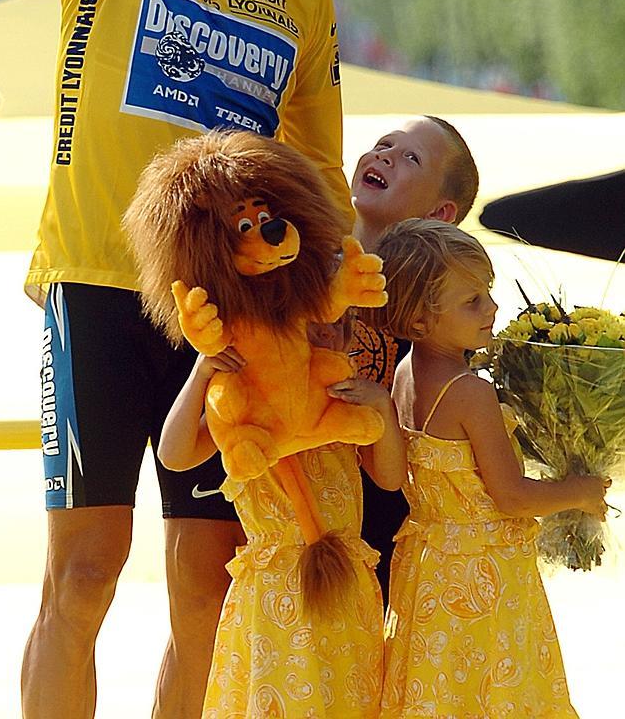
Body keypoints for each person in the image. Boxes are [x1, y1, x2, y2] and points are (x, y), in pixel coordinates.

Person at [0, 0, 352, 717]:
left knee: (207, 582)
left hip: (227, 316)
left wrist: (345, 310)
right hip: (96, 289)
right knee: (87, 572)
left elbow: (318, 172)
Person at [371, 218, 610, 717]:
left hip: (428, 572)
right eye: (472, 301)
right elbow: (512, 497)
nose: (493, 308)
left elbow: (389, 476)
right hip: (485, 577)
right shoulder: (470, 393)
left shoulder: (404, 374)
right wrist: (581, 491)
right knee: (495, 691)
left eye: (488, 292)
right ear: (418, 321)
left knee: (440, 690)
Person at [157, 320, 405, 718]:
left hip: (342, 586)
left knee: (344, 699)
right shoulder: (248, 405)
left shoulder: (341, 401)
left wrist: (381, 407)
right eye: (313, 324)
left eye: (343, 324)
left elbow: (390, 479)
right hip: (274, 590)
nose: (330, 335)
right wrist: (202, 371)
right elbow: (174, 454)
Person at [346, 114, 480, 603]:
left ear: (441, 212)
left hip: (388, 549)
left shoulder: (440, 314)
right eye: (384, 144)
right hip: (296, 523)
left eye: (410, 158)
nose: (384, 156)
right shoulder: (298, 269)